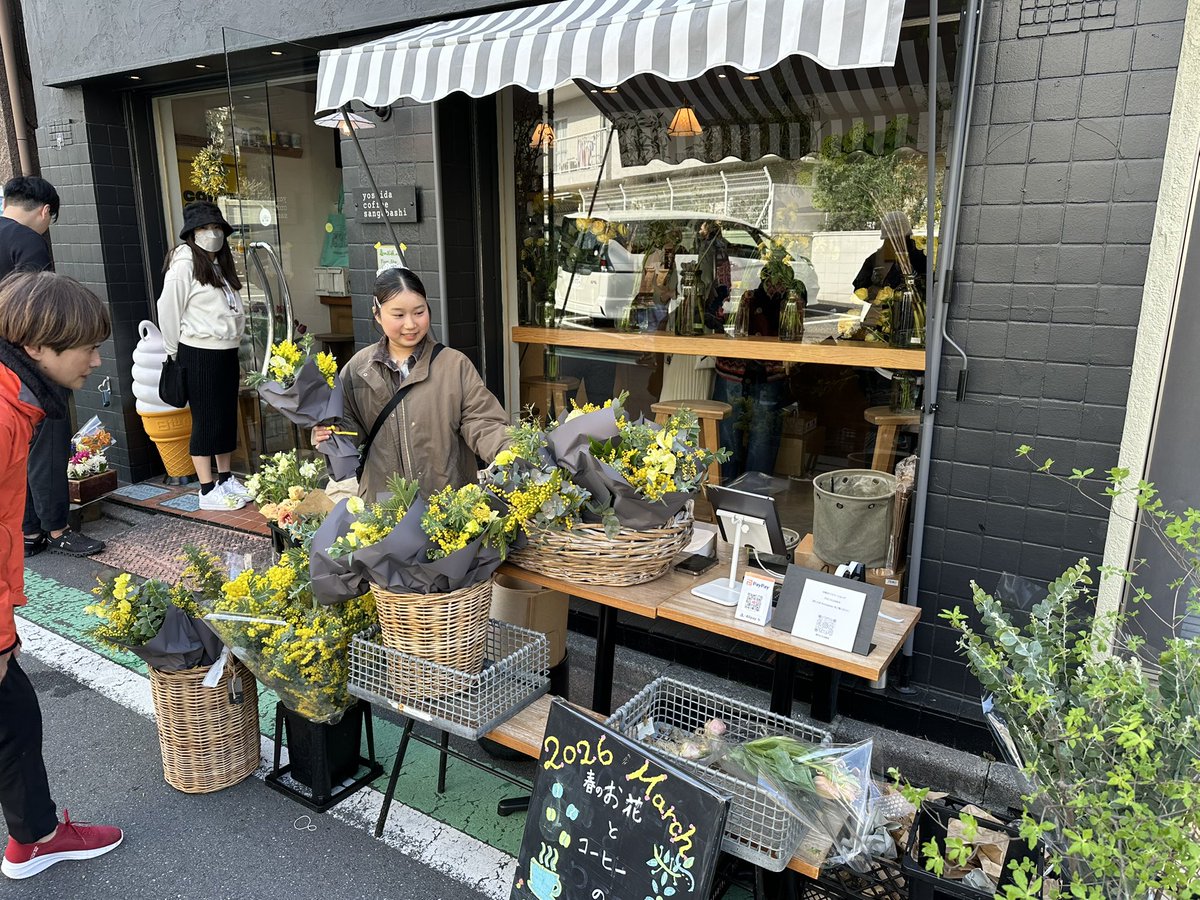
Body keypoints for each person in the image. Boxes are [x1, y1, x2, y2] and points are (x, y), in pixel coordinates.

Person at [0, 271, 123, 879]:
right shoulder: (1, 413)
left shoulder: (16, 400)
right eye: (87, 347)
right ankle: (37, 838)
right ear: (40, 345)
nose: (97, 360)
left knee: (15, 714)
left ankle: (34, 837)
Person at [313, 267, 510, 499]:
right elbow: (347, 430)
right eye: (398, 315)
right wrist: (327, 434)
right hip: (384, 508)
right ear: (377, 314)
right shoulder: (358, 369)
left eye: (419, 312)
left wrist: (510, 450)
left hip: (447, 504)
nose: (410, 324)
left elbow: (483, 421)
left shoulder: (454, 365)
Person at [0, 176, 104, 558]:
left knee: (18, 452)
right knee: (49, 446)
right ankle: (58, 530)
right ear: (46, 212)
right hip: (30, 365)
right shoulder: (28, 240)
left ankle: (28, 532)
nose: (94, 360)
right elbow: (41, 309)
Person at [156, 201, 250, 511]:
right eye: (203, 228)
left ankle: (225, 479)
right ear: (191, 233)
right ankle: (206, 488)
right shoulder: (183, 263)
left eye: (215, 228)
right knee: (206, 419)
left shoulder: (219, 264)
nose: (211, 233)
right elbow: (168, 309)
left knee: (224, 417)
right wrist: (172, 351)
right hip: (198, 352)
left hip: (225, 351)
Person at [708, 268, 803, 481]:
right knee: (729, 434)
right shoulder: (737, 286)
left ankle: (752, 495)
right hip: (734, 369)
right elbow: (714, 317)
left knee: (761, 437)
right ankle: (728, 491)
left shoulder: (792, 294)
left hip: (767, 371)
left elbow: (796, 333)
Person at [851, 210, 927, 298]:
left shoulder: (920, 258)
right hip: (880, 310)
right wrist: (872, 290)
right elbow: (859, 292)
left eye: (900, 238)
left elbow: (931, 288)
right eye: (890, 239)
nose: (895, 243)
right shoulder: (874, 260)